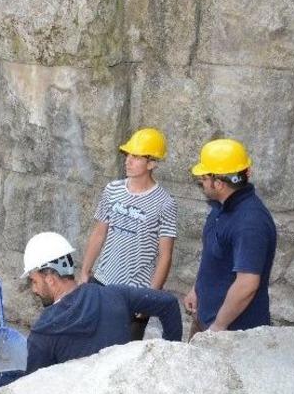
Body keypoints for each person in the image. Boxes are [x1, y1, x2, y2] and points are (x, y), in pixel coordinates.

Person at [22, 232, 182, 374]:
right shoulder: (115, 295)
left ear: (50, 280)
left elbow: (30, 384)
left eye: (34, 281)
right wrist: (169, 357)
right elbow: (169, 303)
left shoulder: (44, 332)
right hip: (121, 389)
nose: (34, 289)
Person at [78, 127, 177, 340]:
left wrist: (152, 296)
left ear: (151, 163)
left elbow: (165, 255)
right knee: (88, 344)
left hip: (135, 292)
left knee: (123, 353)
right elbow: (98, 233)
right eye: (128, 155)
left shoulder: (165, 203)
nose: (128, 161)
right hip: (102, 282)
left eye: (136, 157)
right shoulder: (112, 189)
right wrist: (85, 271)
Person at [184, 138, 276, 335]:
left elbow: (247, 283)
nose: (201, 181)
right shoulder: (221, 206)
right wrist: (197, 288)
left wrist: (218, 327)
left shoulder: (250, 222)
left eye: (204, 177)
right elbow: (215, 255)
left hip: (231, 333)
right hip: (206, 319)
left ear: (218, 183)